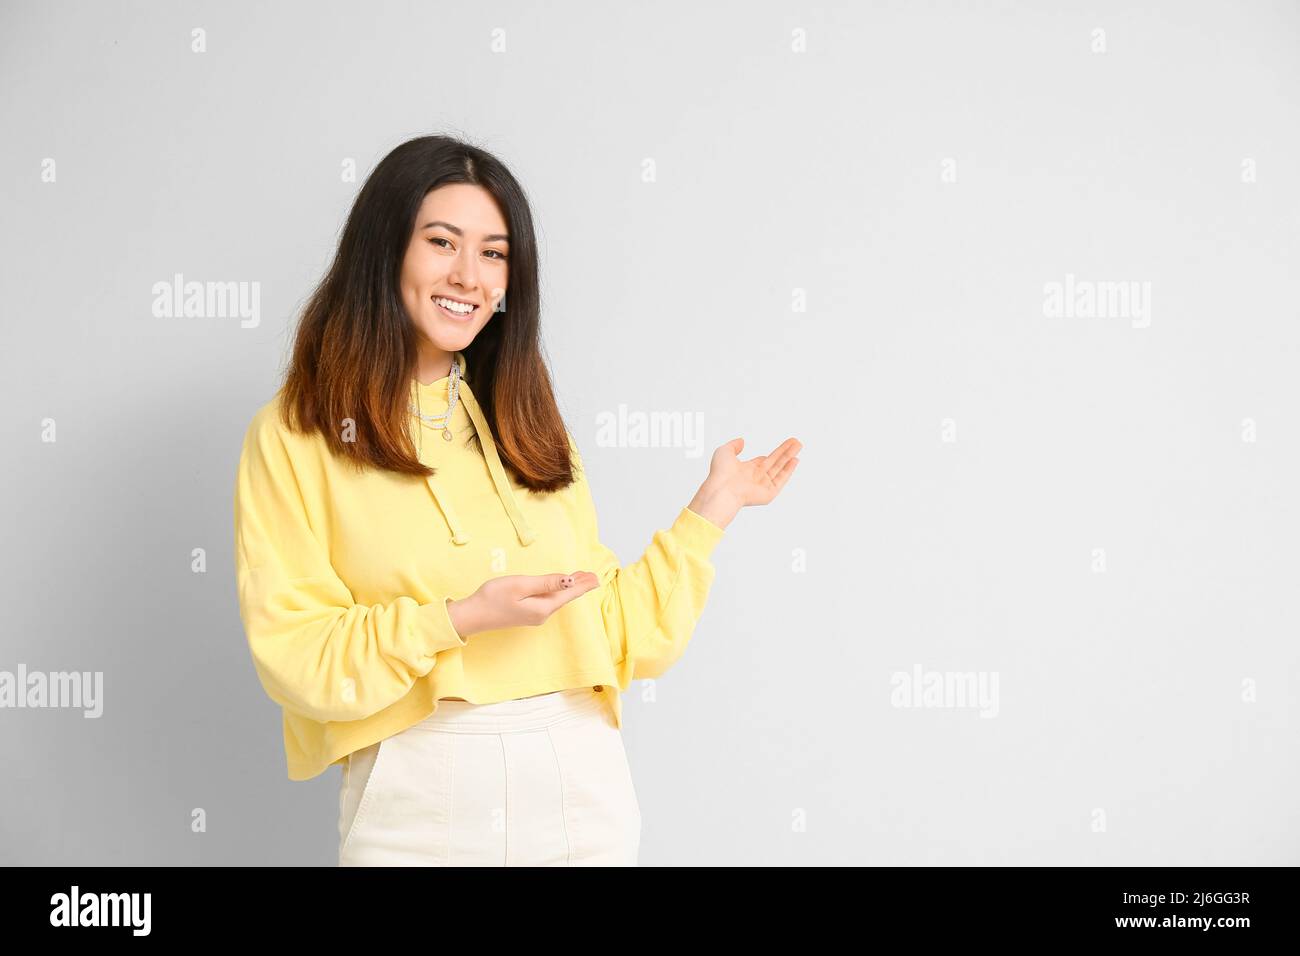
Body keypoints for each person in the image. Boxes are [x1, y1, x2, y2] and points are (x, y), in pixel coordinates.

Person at [232, 133, 802, 866]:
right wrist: (461, 619)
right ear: (385, 251)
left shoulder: (525, 418)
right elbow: (296, 654)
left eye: (494, 253)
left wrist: (710, 512)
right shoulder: (297, 434)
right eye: (442, 242)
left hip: (578, 783)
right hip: (418, 791)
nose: (469, 275)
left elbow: (617, 637)